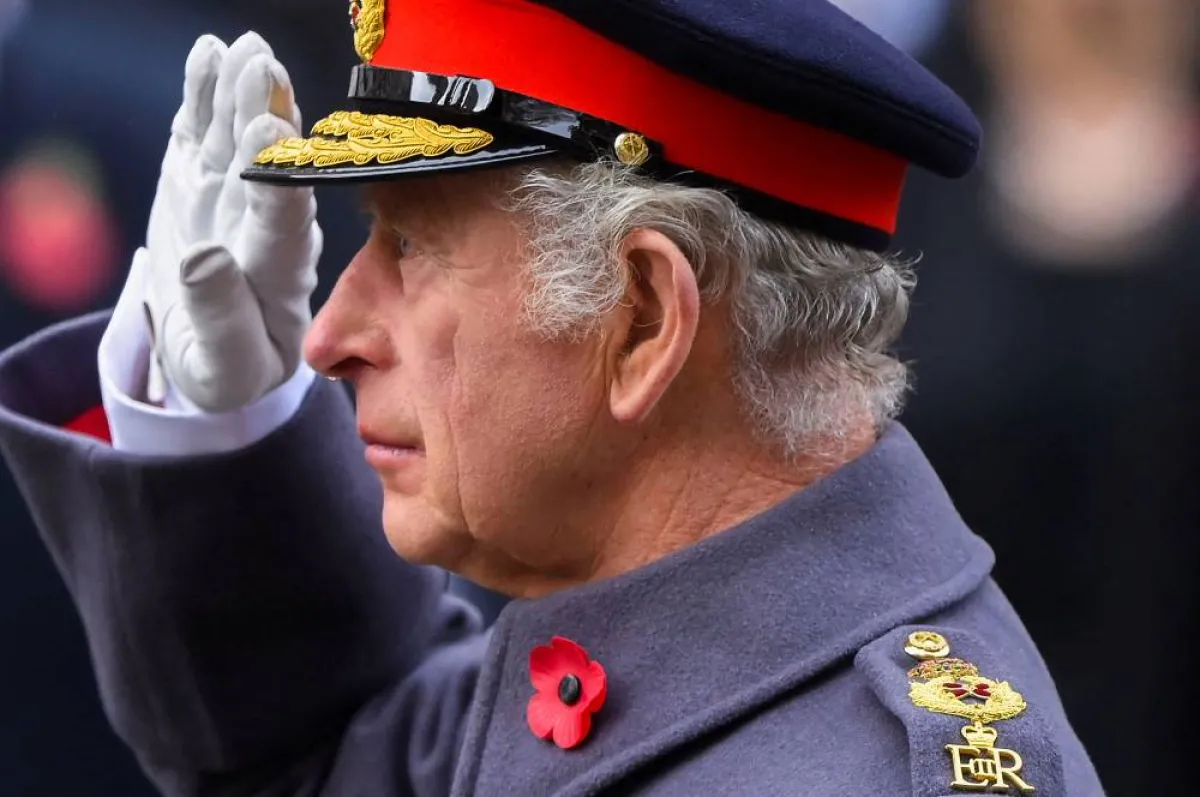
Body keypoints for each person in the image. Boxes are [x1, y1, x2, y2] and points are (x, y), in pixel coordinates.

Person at [0, 1, 1104, 794]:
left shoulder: (890, 767)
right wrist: (222, 431)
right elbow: (313, 754)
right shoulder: (656, 652)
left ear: (640, 318)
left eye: (414, 247)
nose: (329, 336)